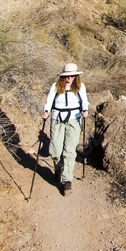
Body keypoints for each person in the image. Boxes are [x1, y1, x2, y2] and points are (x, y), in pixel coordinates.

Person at [41, 63, 89, 195]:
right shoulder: (56, 86)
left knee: (69, 151)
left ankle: (67, 180)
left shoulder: (80, 87)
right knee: (55, 150)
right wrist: (46, 110)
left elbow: (84, 100)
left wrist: (85, 110)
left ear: (76, 76)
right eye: (67, 75)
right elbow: (50, 100)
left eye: (72, 75)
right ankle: (59, 168)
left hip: (74, 119)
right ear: (63, 76)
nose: (70, 78)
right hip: (57, 119)